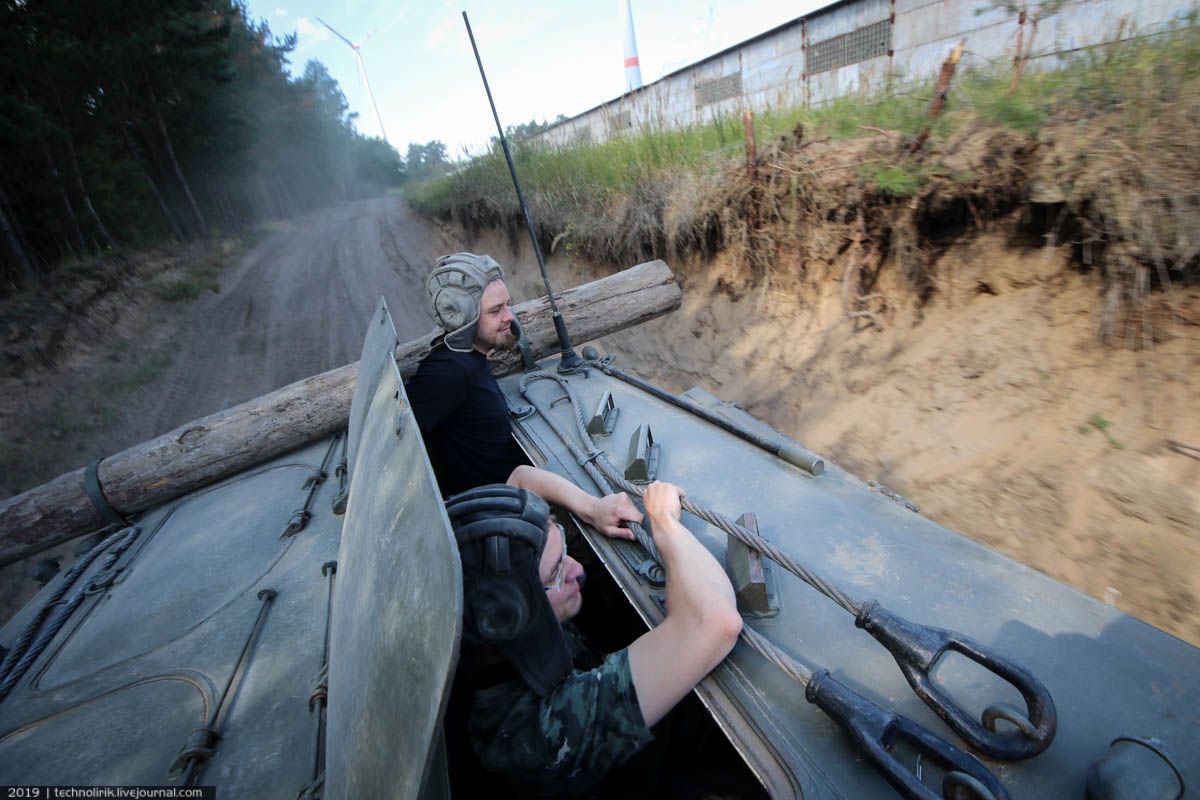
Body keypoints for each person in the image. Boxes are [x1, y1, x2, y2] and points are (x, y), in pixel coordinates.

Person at [447, 466, 743, 797]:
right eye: (556, 573)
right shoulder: (535, 735)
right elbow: (715, 623)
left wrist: (592, 507)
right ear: (507, 616)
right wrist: (665, 524)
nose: (576, 569)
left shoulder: (468, 585)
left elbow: (520, 479)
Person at [407, 252, 527, 497]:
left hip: (510, 492)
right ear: (461, 315)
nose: (509, 317)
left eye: (507, 304)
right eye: (495, 311)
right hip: (490, 508)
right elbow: (400, 439)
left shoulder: (471, 358)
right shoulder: (448, 372)